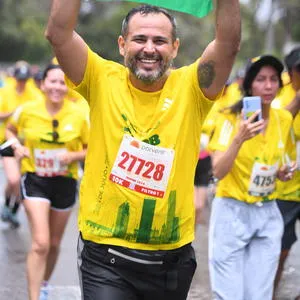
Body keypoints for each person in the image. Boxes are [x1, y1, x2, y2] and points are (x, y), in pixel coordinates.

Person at [45, 1, 241, 299]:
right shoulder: (99, 78)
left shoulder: (193, 88)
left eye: (159, 41)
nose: (149, 48)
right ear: (122, 44)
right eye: (140, 39)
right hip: (105, 257)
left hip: (171, 261)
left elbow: (228, 43)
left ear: (175, 47)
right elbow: (58, 33)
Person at [207, 55, 297, 300]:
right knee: (230, 294)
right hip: (231, 212)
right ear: (248, 84)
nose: (268, 86)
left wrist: (282, 172)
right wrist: (239, 138)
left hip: (267, 212)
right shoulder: (229, 118)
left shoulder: (284, 119)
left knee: (259, 295)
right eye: (260, 79)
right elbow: (217, 171)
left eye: (273, 80)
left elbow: (284, 162)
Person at [5, 64, 89, 300]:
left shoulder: (79, 115)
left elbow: (91, 148)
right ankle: (34, 297)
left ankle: (43, 283)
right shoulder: (27, 110)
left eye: (62, 83)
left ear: (68, 87)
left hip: (64, 182)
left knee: (53, 244)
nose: (57, 87)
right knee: (40, 243)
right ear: (42, 84)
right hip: (35, 180)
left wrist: (71, 156)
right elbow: (10, 130)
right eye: (52, 81)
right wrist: (17, 145)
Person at [0, 61, 44, 228]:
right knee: (13, 179)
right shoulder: (5, 92)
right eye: (19, 79)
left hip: (27, 142)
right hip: (8, 140)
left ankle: (13, 209)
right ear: (14, 77)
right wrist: (14, 113)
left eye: (25, 80)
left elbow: (41, 110)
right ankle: (6, 206)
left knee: (21, 182)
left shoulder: (34, 93)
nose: (22, 83)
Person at [273, 47, 300, 300]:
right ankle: (270, 291)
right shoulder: (280, 97)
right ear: (291, 73)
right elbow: (278, 122)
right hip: (287, 190)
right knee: (279, 248)